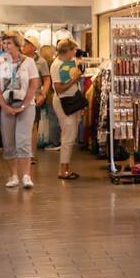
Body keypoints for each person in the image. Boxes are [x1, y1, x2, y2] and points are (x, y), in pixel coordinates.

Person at [0, 30, 40, 189]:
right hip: (7, 106)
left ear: (18, 44)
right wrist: (4, 106)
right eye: (4, 43)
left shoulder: (29, 62)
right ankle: (13, 176)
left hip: (26, 106)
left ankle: (26, 175)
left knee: (23, 140)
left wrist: (25, 104)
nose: (5, 46)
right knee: (8, 141)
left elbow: (34, 84)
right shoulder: (0, 61)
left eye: (9, 42)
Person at [49, 38, 84, 180]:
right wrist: (74, 80)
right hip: (64, 101)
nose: (75, 52)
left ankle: (66, 167)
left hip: (72, 100)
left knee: (71, 134)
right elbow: (59, 88)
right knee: (68, 134)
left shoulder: (69, 62)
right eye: (73, 50)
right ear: (67, 50)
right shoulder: (56, 65)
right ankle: (63, 169)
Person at [24, 37, 51, 170]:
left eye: (28, 44)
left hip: (34, 98)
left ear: (34, 47)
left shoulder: (41, 62)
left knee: (33, 126)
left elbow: (47, 80)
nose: (24, 45)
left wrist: (43, 94)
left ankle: (31, 154)